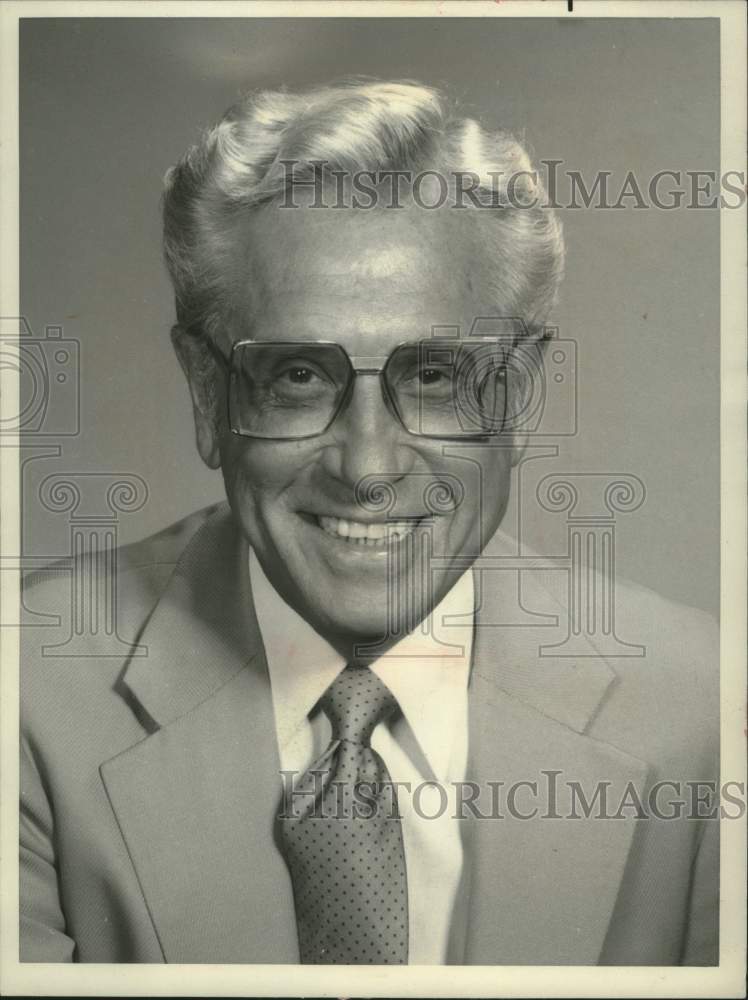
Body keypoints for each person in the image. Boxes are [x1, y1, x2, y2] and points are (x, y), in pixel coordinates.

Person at [20, 80, 718, 965]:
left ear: (522, 394)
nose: (368, 468)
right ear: (208, 394)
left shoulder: (706, 710)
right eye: (299, 377)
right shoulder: (27, 698)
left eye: (433, 376)